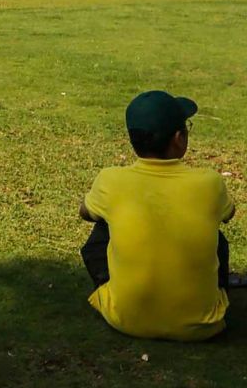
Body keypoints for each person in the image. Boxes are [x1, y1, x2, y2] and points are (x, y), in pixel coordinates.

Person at [79, 90, 235, 342]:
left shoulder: (111, 180)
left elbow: (85, 213)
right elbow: (229, 214)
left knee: (103, 228)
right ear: (178, 138)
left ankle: (122, 294)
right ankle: (203, 299)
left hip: (125, 321)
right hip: (201, 328)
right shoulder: (209, 183)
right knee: (217, 236)